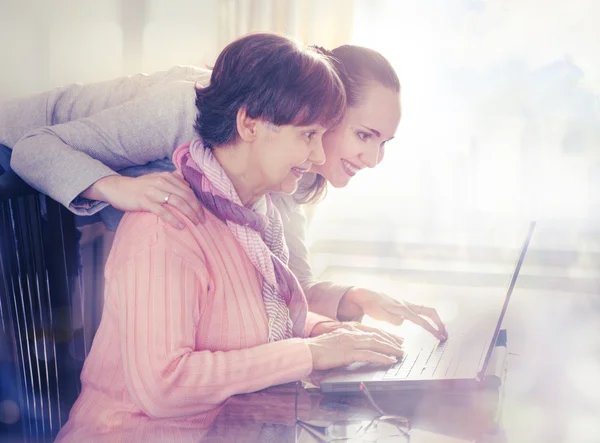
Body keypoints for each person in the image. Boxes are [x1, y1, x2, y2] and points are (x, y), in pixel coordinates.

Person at [51, 33, 406, 442]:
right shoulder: (167, 225)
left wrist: (322, 332)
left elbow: (245, 319)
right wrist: (308, 354)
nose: (319, 157)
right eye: (308, 135)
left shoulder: (253, 214)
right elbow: (163, 387)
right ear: (249, 123)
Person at [0, 36, 447, 340]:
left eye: (383, 142)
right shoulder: (191, 107)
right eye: (364, 135)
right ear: (322, 107)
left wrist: (357, 299)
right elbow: (35, 148)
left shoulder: (286, 171)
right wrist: (118, 188)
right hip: (17, 153)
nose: (373, 160)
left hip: (60, 184)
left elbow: (287, 287)